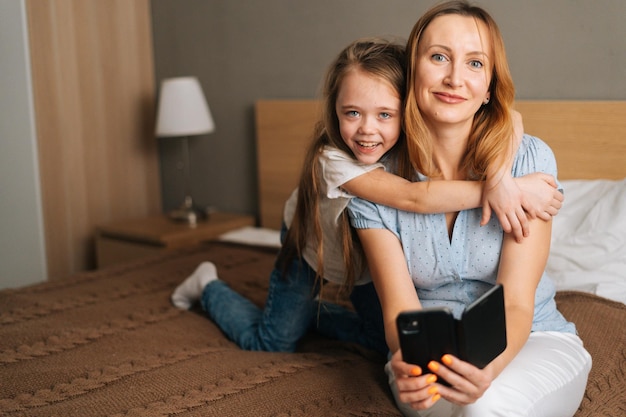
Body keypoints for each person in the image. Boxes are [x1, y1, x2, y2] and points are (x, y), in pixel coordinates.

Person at [171, 37, 562, 355]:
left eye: (385, 115)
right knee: (272, 341)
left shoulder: (414, 140)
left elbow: (508, 117)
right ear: (334, 110)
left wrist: (501, 174)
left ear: (408, 112)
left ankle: (318, 316)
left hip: (366, 267)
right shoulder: (334, 161)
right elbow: (415, 198)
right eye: (352, 113)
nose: (366, 131)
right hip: (314, 249)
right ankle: (208, 286)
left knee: (385, 343)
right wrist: (498, 189)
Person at [347, 2, 592, 416]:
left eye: (475, 63)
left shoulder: (528, 161)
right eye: (438, 56)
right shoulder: (376, 184)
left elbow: (515, 301)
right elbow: (399, 311)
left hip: (532, 339)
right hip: (427, 350)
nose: (454, 78)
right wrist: (409, 360)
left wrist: (485, 371)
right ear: (413, 71)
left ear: (490, 86)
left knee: (484, 407)